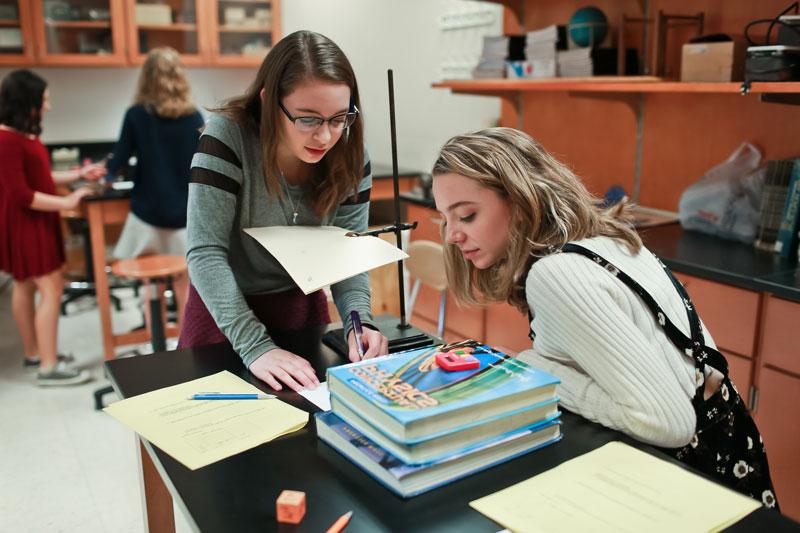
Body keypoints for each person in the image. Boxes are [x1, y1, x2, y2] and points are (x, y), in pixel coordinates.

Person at [430, 127, 779, 508]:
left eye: (466, 215)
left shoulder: (556, 275)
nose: (452, 235)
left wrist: (533, 372)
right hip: (733, 449)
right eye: (446, 220)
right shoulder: (605, 239)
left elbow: (669, 423)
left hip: (697, 478)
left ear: (520, 200)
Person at [179, 30, 389, 392]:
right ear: (268, 102)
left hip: (301, 311)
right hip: (226, 312)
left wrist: (359, 324)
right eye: (308, 119)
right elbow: (205, 252)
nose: (325, 137)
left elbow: (347, 251)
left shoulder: (351, 153)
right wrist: (256, 347)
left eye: (339, 118)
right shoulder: (227, 138)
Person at [0, 69, 103, 386]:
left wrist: (77, 177)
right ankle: (48, 365)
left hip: (30, 222)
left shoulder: (20, 137)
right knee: (51, 289)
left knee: (26, 286)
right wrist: (67, 203)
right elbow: (22, 195)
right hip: (28, 224)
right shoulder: (7, 140)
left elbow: (39, 178)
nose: (48, 105)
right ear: (26, 101)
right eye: (43, 99)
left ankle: (34, 355)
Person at [106, 47, 203, 325]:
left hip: (148, 216)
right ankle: (187, 345)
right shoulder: (194, 117)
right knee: (186, 282)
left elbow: (119, 159)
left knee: (152, 283)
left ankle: (153, 343)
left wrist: (108, 176)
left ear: (146, 78)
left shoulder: (136, 115)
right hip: (185, 217)